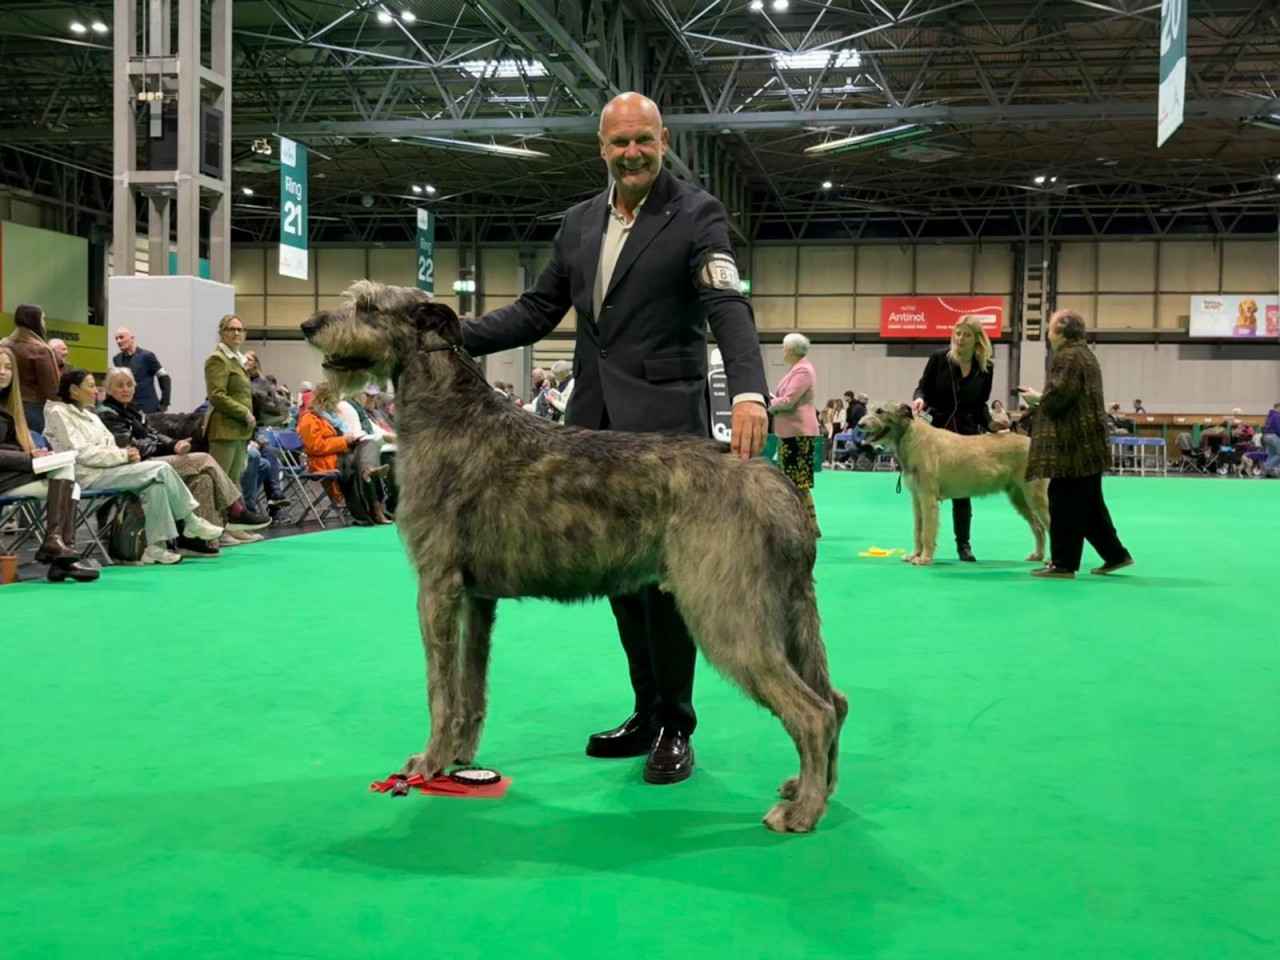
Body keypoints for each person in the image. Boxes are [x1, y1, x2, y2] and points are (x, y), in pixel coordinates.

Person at [459, 91, 769, 786]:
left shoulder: (697, 214)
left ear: (664, 141)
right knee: (618, 578)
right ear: (601, 147)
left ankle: (677, 725)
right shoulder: (578, 222)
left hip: (665, 427)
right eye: (619, 142)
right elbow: (539, 309)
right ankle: (646, 711)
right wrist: (453, 332)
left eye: (643, 140)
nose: (632, 153)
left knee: (668, 582)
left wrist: (749, 390)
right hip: (593, 426)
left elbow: (727, 304)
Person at [43, 369, 225, 564]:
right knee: (161, 469)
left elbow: (110, 443)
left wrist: (127, 455)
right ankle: (191, 521)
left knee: (156, 486)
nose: (96, 391)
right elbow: (81, 453)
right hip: (84, 475)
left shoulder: (91, 415)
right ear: (74, 390)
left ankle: (156, 547)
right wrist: (123, 455)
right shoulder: (58, 413)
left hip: (108, 469)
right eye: (91, 386)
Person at [98, 367, 270, 549]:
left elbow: (153, 435)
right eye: (120, 385)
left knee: (203, 479)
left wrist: (175, 444)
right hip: (136, 467)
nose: (126, 389)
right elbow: (128, 444)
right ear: (108, 389)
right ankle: (234, 511)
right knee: (203, 460)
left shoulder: (135, 411)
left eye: (129, 385)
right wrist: (159, 445)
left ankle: (198, 541)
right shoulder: (108, 413)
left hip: (150, 461)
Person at [1019, 309, 1133, 579]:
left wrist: (1037, 398)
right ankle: (1116, 555)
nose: (1048, 334)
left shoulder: (1067, 356)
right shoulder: (1086, 355)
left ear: (1060, 332)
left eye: (1050, 329)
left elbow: (1059, 397)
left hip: (1071, 447)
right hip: (1089, 445)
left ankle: (1063, 563)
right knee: (1090, 507)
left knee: (1064, 503)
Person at [0, 345, 98, 582]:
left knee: (68, 476)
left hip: (13, 473)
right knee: (65, 469)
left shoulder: (10, 408)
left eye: (8, 367)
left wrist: (34, 452)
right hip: (5, 477)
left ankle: (60, 552)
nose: (3, 372)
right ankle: (58, 551)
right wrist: (29, 457)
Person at [911, 315, 994, 562]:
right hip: (934, 433)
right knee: (925, 494)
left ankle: (963, 545)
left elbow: (980, 405)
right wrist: (919, 398)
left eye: (967, 334)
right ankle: (921, 547)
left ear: (977, 339)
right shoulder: (939, 358)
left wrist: (991, 425)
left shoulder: (985, 367)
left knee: (962, 493)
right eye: (958, 333)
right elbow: (922, 387)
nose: (960, 339)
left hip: (965, 436)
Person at [298, 383, 392, 525]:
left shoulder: (334, 416)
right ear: (325, 399)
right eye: (335, 399)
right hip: (327, 460)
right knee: (360, 462)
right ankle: (375, 506)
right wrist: (344, 441)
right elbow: (315, 447)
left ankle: (369, 471)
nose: (338, 402)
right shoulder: (309, 419)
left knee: (369, 443)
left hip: (343, 454)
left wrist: (351, 438)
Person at [768, 333, 821, 535]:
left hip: (798, 432)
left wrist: (767, 403)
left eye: (784, 348)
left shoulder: (803, 371)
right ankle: (807, 525)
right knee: (793, 481)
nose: (782, 352)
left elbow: (789, 400)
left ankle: (809, 526)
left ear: (791, 350)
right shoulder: (797, 369)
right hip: (791, 432)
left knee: (798, 481)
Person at [204, 314, 255, 486]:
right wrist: (244, 413)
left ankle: (236, 506)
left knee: (234, 483)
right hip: (224, 430)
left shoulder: (237, 360)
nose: (236, 333)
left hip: (239, 429)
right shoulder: (218, 359)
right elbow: (216, 395)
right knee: (220, 482)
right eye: (231, 329)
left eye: (240, 329)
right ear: (222, 333)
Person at [0, 304, 60, 433]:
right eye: (42, 319)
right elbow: (51, 387)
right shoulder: (40, 349)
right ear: (36, 320)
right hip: (35, 409)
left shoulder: (4, 344)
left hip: (8, 405)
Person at [112, 327, 171, 414]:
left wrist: (165, 402)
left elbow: (164, 376)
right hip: (127, 408)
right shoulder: (117, 359)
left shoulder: (146, 356)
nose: (118, 341)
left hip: (147, 408)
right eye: (116, 339)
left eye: (121, 337)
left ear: (132, 339)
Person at [1263, 402, 1280, 478]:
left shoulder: (1269, 416)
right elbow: (1278, 428)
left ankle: (1269, 471)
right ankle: (1269, 468)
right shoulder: (1277, 416)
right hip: (1274, 436)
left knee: (1272, 454)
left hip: (1267, 436)